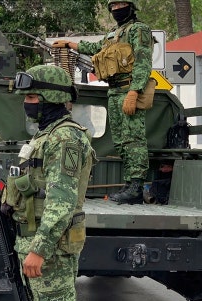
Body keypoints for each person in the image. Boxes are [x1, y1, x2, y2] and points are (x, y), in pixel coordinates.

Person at [10, 65, 95, 301]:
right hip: (34, 243)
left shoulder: (63, 139)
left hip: (51, 251)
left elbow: (62, 202)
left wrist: (39, 250)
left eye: (32, 97)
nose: (27, 103)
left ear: (51, 99)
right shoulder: (45, 136)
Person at [52, 0, 153, 204]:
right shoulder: (113, 34)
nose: (117, 10)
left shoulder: (139, 30)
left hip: (128, 88)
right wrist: (71, 45)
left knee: (133, 140)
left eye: (120, 5)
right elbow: (96, 47)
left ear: (130, 7)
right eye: (113, 7)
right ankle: (129, 184)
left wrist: (135, 92)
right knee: (121, 142)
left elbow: (143, 62)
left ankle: (136, 187)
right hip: (115, 91)